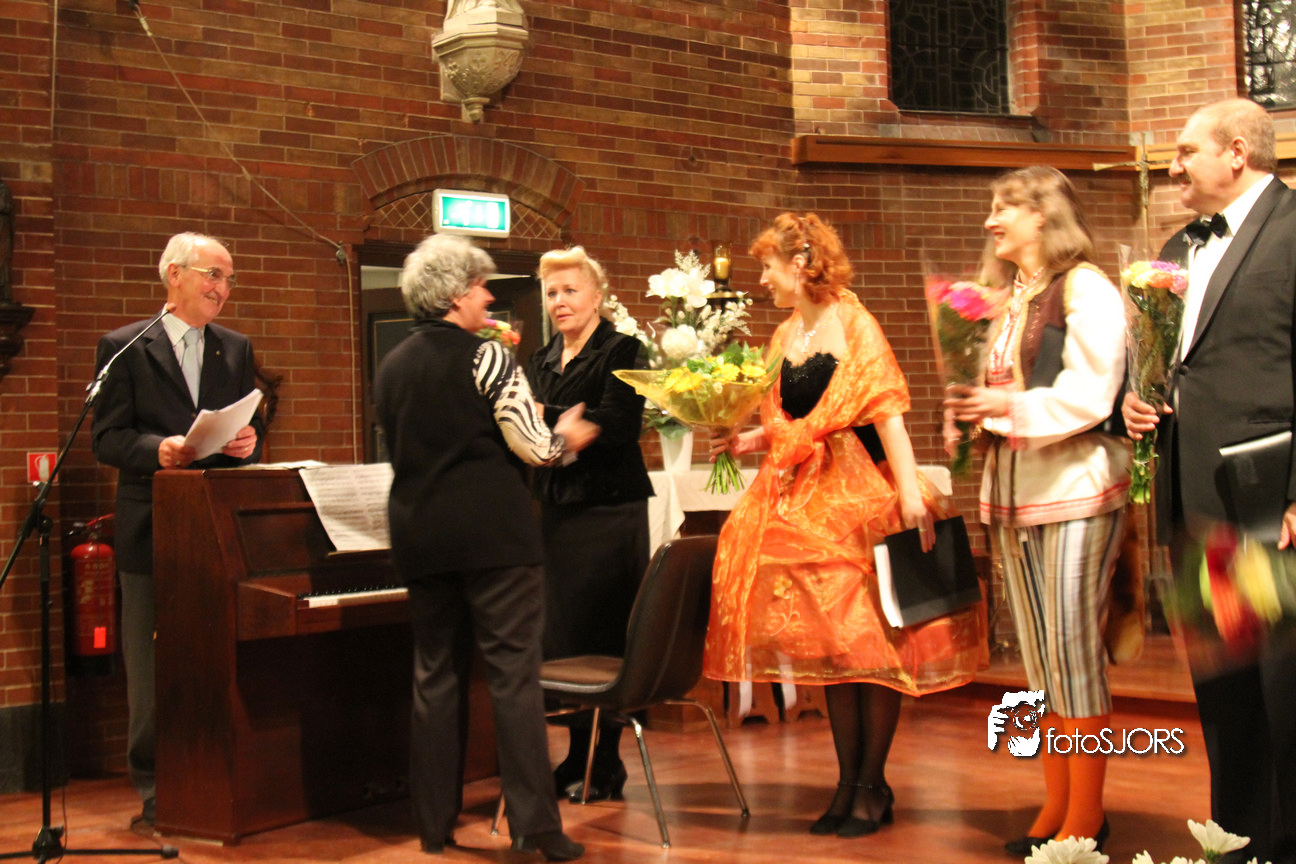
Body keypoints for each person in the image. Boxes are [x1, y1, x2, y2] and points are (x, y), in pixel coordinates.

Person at [704, 212, 987, 839]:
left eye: (769, 267)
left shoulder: (855, 323)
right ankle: (847, 784)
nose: (763, 280)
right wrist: (746, 441)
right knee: (834, 647)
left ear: (801, 264)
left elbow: (887, 414)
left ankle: (871, 785)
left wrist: (910, 493)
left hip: (859, 493)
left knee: (868, 644)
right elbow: (788, 422)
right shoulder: (785, 333)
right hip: (803, 497)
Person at [374, 233, 597, 861]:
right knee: (514, 683)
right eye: (479, 286)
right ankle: (536, 830)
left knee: (435, 679)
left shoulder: (391, 365)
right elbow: (535, 448)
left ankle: (433, 825)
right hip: (495, 541)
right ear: (454, 295)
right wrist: (569, 435)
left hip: (420, 537)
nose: (488, 297)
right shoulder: (488, 358)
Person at [1122, 98, 1296, 864]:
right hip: (1195, 495)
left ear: (1237, 152)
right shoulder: (1176, 248)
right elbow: (1168, 364)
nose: (1173, 168)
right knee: (1225, 688)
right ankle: (1238, 842)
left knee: (1285, 689)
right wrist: (1135, 401)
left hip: (1271, 498)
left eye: (1186, 151)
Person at [945, 165, 1129, 854]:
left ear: (1044, 216)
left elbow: (1091, 393)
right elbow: (996, 385)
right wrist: (968, 415)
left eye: (1005, 207)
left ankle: (1088, 814)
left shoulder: (1085, 288)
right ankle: (1057, 802)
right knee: (1042, 662)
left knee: (1073, 654)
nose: (991, 220)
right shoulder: (1007, 296)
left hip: (1075, 488)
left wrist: (1007, 406)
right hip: (1014, 496)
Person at [91, 232, 263, 830]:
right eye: (213, 274)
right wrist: (157, 450)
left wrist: (247, 442)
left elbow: (246, 427)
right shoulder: (124, 348)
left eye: (228, 278)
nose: (222, 288)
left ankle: (215, 779)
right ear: (174, 275)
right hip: (151, 528)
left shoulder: (235, 348)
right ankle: (155, 790)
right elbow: (107, 439)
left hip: (214, 528)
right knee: (151, 668)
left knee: (213, 659)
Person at [523, 246, 653, 802]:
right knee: (565, 638)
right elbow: (530, 425)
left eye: (570, 290)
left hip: (609, 510)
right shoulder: (541, 359)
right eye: (551, 292)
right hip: (555, 510)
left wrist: (561, 422)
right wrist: (562, 424)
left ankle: (607, 761)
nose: (559, 301)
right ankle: (578, 754)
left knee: (605, 632)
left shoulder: (622, 349)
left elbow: (621, 422)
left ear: (597, 296)